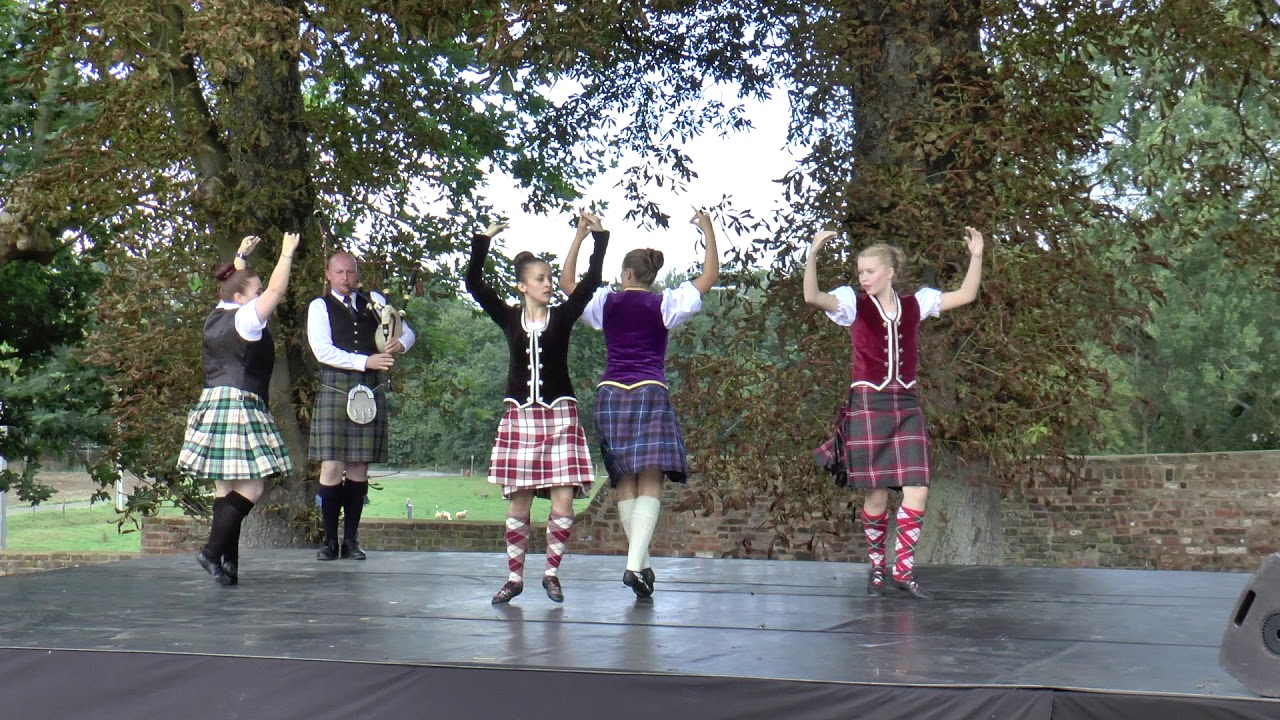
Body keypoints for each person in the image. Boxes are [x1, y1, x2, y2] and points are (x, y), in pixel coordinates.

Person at [804, 226, 984, 600]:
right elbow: (812, 296)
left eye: (869, 271)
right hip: (869, 404)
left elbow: (966, 295)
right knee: (876, 496)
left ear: (889, 272)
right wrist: (812, 256)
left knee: (917, 487)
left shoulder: (916, 303)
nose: (863, 278)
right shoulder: (853, 305)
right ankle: (876, 570)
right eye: (860, 273)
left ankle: (902, 570)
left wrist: (977, 255)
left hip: (905, 404)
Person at [560, 209, 718, 598]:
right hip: (650, 390)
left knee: (625, 480)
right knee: (650, 477)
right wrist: (709, 230)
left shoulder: (604, 303)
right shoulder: (665, 304)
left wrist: (580, 236)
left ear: (627, 274)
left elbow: (567, 283)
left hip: (611, 393)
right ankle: (636, 565)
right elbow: (710, 277)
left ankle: (639, 565)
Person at [465, 217, 609, 604]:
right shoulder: (509, 317)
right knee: (520, 502)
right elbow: (474, 284)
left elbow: (590, 282)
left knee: (563, 501)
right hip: (520, 417)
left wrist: (597, 237)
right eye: (541, 278)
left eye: (549, 278)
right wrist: (484, 240)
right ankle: (514, 578)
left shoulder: (562, 317)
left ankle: (551, 574)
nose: (548, 284)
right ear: (523, 285)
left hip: (560, 416)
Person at [178, 231, 301, 585]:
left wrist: (240, 259)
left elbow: (236, 284)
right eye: (255, 292)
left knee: (225, 488)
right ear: (239, 297)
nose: (260, 297)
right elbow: (276, 292)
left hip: (213, 403)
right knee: (252, 488)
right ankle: (211, 552)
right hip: (239, 404)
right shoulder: (246, 319)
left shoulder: (216, 315)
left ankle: (227, 565)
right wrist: (286, 253)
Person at [307, 251, 415, 560]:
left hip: (368, 389)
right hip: (335, 388)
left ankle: (351, 540)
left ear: (357, 274)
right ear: (328, 275)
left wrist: (399, 343)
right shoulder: (320, 307)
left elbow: (407, 331)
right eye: (339, 273)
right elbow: (322, 350)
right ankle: (329, 540)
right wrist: (365, 360)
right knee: (331, 465)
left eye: (350, 273)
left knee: (358, 467)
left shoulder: (375, 301)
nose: (345, 278)